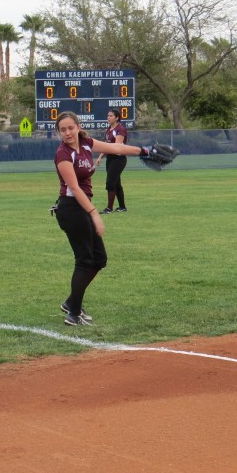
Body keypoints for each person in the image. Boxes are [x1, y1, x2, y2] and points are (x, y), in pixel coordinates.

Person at [52, 111, 155, 326]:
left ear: (78, 127)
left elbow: (116, 148)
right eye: (63, 130)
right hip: (72, 209)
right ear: (59, 133)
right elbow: (74, 188)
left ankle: (71, 303)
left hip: (82, 208)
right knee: (85, 261)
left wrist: (144, 151)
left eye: (71, 127)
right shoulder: (63, 154)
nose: (68, 132)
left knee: (99, 260)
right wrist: (94, 214)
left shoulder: (86, 144)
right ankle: (74, 314)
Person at [95, 109, 130, 213]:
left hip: (118, 159)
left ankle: (109, 208)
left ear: (117, 117)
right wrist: (100, 156)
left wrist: (107, 149)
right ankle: (122, 207)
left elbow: (117, 146)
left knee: (110, 182)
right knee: (116, 183)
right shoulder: (109, 129)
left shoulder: (120, 129)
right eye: (108, 116)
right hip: (110, 158)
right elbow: (106, 144)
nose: (108, 118)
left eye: (111, 116)